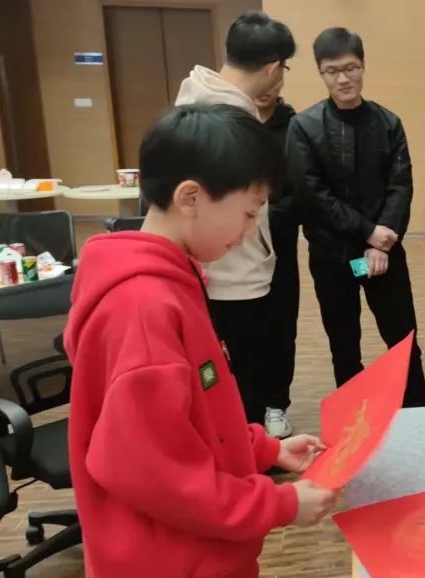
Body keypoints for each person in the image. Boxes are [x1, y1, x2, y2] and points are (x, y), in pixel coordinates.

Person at [64, 104, 339, 578]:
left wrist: (264, 449)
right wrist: (276, 504)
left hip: (200, 559)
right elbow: (152, 471)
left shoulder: (174, 277)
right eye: (249, 213)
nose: (251, 230)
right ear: (190, 197)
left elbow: (194, 415)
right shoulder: (144, 307)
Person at [287, 27, 425, 407]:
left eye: (350, 68)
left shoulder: (388, 123)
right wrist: (369, 233)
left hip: (383, 255)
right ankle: (353, 416)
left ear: (363, 66)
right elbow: (313, 195)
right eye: (332, 71)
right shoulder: (304, 127)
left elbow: (401, 185)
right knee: (344, 343)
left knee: (403, 338)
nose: (343, 79)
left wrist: (382, 242)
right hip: (334, 258)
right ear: (321, 72)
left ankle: (416, 410)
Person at [174, 10, 298, 433]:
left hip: (207, 274)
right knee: (242, 384)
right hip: (233, 278)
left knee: (221, 381)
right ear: (273, 68)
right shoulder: (230, 122)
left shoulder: (191, 98)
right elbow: (234, 211)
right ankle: (248, 460)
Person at [254, 80, 300, 438]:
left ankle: (276, 404)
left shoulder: (293, 127)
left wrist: (268, 214)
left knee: (281, 324)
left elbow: (302, 189)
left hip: (281, 242)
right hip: (233, 244)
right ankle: (246, 407)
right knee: (243, 330)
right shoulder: (233, 121)